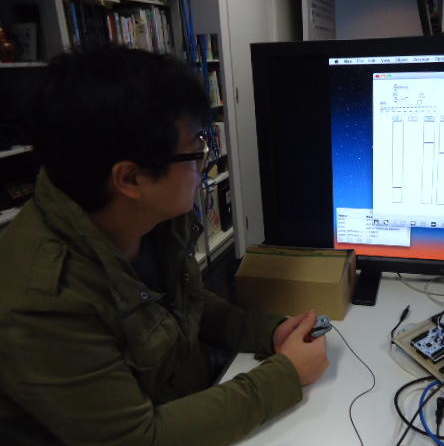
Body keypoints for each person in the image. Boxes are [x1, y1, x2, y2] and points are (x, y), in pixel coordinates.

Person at [0, 47, 329, 445]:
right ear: (130, 179)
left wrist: (268, 332)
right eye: (195, 150)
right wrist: (286, 375)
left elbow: (184, 305)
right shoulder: (42, 302)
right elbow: (137, 438)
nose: (203, 164)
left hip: (187, 393)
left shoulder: (141, 217)